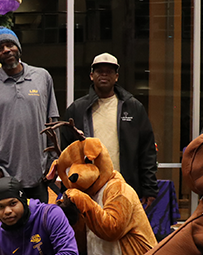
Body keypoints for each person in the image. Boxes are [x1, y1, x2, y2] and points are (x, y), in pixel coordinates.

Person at [60, 53, 159, 207]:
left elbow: (147, 151)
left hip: (124, 187)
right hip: (88, 189)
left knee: (123, 230)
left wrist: (149, 188)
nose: (104, 74)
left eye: (109, 71)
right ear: (92, 76)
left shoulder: (133, 107)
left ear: (116, 76)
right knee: (90, 231)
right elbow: (65, 152)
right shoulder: (77, 110)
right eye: (100, 71)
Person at [0, 28, 58, 202]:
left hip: (39, 174)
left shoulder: (42, 77)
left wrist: (51, 161)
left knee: (39, 225)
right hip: (5, 178)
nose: (6, 50)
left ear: (18, 48)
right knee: (10, 225)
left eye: (10, 45)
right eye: (0, 48)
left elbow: (53, 122)